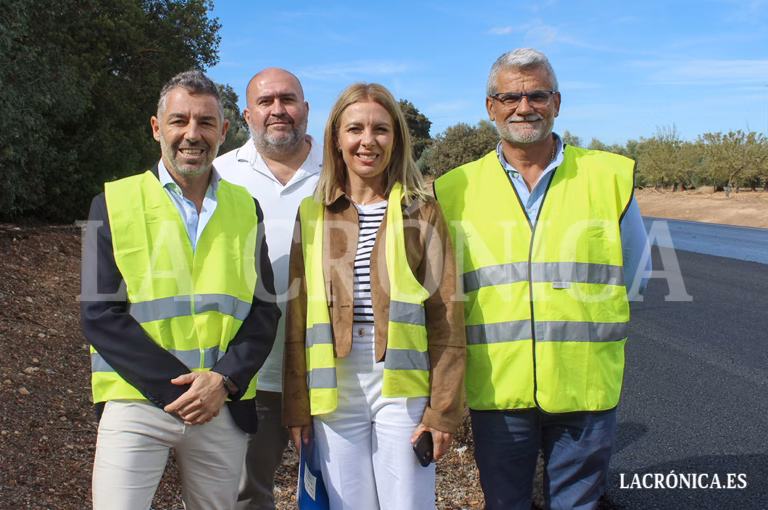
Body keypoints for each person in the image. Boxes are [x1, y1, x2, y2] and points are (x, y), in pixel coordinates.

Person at [433, 48, 651, 510]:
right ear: (490, 107)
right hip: (498, 389)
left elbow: (634, 273)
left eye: (537, 95)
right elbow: (444, 292)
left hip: (584, 387)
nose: (524, 107)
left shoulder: (608, 176)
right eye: (509, 97)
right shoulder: (452, 189)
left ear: (557, 102)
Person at [80, 69, 281, 510]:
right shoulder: (112, 203)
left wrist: (222, 381)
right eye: (179, 120)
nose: (193, 134)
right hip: (136, 399)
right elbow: (99, 315)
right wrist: (179, 391)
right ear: (157, 128)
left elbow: (264, 311)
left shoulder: (246, 208)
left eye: (206, 122)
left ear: (223, 132)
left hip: (220, 405)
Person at [282, 83, 465, 510]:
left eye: (381, 129)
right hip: (334, 388)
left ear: (396, 138)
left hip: (402, 387)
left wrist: (442, 409)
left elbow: (446, 316)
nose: (368, 141)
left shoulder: (422, 211)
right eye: (355, 129)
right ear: (336, 139)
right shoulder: (311, 213)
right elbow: (297, 318)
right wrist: (296, 406)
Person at [214, 67, 322, 510]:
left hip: (329, 370)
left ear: (306, 109)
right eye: (266, 101)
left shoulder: (343, 167)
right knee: (245, 494)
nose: (278, 110)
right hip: (249, 370)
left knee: (339, 490)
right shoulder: (219, 174)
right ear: (247, 115)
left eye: (288, 99)